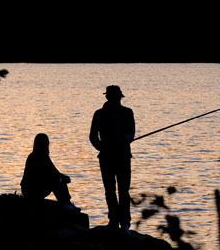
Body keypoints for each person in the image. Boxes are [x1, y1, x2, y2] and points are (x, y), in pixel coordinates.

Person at [89, 85, 135, 232]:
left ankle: (125, 223)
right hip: (106, 157)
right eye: (112, 97)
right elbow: (93, 136)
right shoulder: (99, 114)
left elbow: (131, 133)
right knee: (109, 190)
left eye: (116, 97)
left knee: (123, 190)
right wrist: (101, 147)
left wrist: (124, 141)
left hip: (123, 156)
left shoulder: (128, 113)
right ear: (108, 97)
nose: (115, 99)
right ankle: (113, 221)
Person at [21, 133, 80, 212]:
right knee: (56, 181)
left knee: (57, 179)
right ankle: (65, 203)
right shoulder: (36, 157)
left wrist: (64, 177)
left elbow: (54, 171)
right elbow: (51, 174)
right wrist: (62, 178)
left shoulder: (43, 157)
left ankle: (67, 202)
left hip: (34, 188)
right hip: (30, 190)